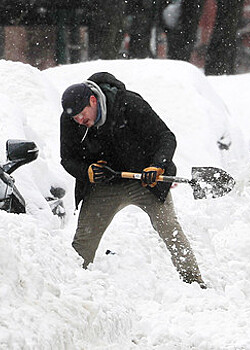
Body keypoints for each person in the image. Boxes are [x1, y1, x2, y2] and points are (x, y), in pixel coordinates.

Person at [60, 72, 205, 288]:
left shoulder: (128, 104)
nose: (80, 121)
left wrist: (157, 165)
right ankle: (72, 287)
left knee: (169, 228)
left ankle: (195, 282)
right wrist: (87, 171)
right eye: (75, 118)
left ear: (93, 100)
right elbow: (67, 159)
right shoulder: (70, 120)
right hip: (104, 186)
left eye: (82, 114)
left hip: (145, 181)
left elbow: (166, 137)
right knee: (83, 241)